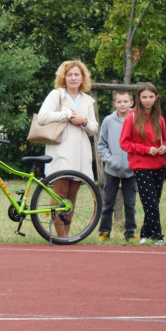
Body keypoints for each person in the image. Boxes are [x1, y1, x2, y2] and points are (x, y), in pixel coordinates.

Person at [36, 60, 98, 237]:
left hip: (81, 154)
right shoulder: (57, 95)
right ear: (64, 77)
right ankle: (60, 237)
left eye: (77, 74)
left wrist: (84, 121)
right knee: (59, 195)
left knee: (71, 198)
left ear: (82, 77)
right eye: (69, 74)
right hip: (61, 152)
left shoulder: (87, 100)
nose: (73, 78)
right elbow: (43, 116)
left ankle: (67, 236)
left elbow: (93, 129)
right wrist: (67, 114)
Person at [120, 82, 166, 245]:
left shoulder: (160, 119)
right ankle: (158, 236)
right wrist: (146, 150)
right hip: (141, 165)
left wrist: (164, 147)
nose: (147, 100)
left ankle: (145, 234)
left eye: (150, 97)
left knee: (154, 202)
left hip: (159, 164)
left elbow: (165, 141)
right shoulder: (132, 118)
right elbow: (124, 143)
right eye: (144, 97)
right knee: (150, 203)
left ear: (156, 98)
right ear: (139, 99)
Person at [96, 90, 137, 242]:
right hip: (111, 170)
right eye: (119, 102)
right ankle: (104, 233)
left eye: (125, 101)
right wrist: (109, 159)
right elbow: (101, 145)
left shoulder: (136, 119)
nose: (122, 104)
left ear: (131, 103)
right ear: (114, 104)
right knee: (108, 202)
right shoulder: (108, 121)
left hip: (131, 170)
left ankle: (130, 234)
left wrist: (133, 161)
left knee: (130, 203)